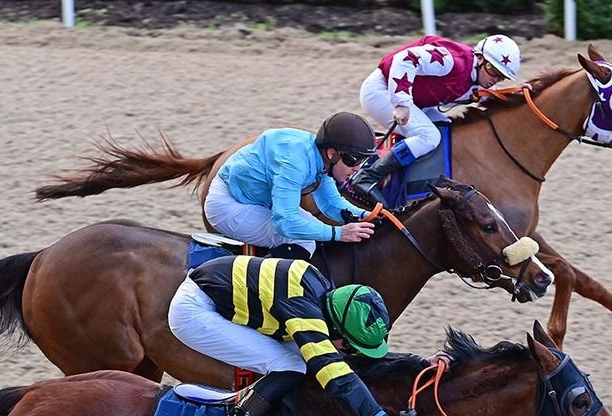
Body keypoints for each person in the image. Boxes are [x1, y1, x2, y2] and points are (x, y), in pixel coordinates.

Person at [167, 254, 449, 416]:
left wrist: (419, 362)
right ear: (336, 328)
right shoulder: (303, 311)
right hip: (194, 311)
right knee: (291, 365)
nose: (347, 352)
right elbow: (335, 373)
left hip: (217, 294)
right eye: (349, 346)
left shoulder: (326, 296)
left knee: (303, 362)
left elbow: (339, 361)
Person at [353, 34, 523, 205]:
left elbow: (490, 98)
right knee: (429, 136)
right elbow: (405, 59)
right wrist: (401, 103)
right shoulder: (451, 61)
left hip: (416, 101)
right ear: (479, 58)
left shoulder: (479, 78)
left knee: (446, 127)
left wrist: (519, 95)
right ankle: (368, 176)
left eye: (501, 77)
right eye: (493, 71)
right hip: (381, 91)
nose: (495, 80)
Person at [204, 112, 381, 260]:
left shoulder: (322, 160)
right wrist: (338, 233)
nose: (357, 167)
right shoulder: (295, 164)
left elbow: (331, 204)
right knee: (302, 240)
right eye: (353, 159)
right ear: (332, 153)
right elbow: (284, 222)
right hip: (229, 204)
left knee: (311, 228)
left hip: (252, 198)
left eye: (362, 160)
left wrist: (369, 215)